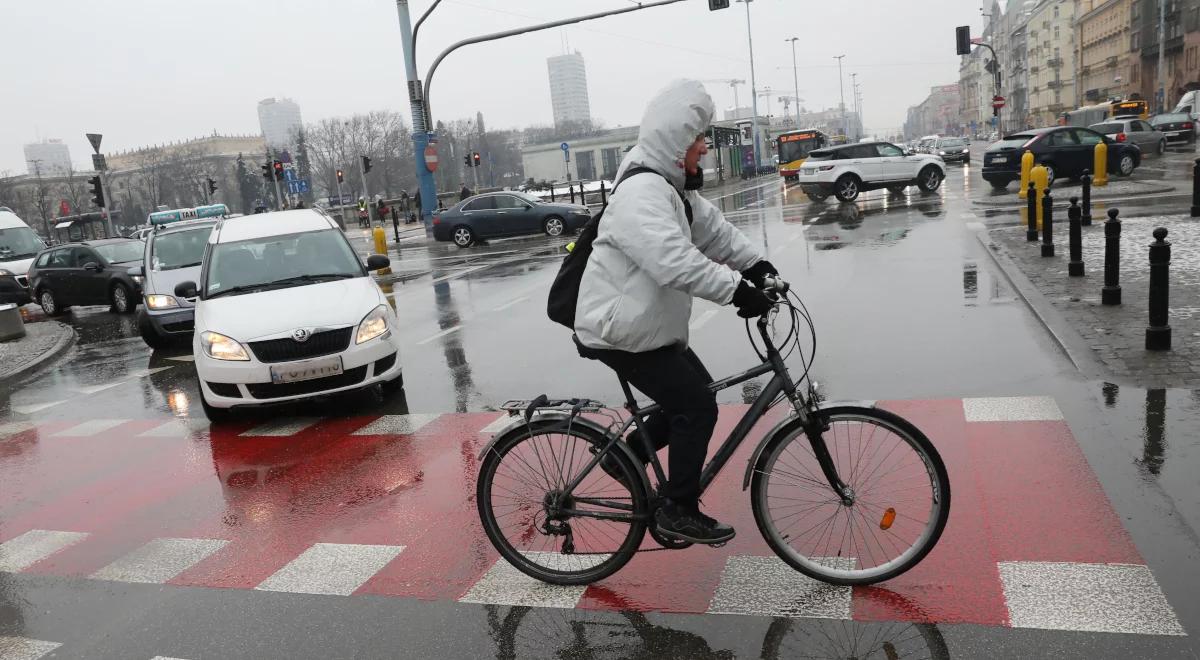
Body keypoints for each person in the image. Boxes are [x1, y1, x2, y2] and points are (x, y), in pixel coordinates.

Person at [573, 79, 777, 545]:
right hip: (619, 330)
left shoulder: (670, 186)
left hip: (646, 326)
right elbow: (672, 259)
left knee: (693, 395)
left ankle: (622, 455)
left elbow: (713, 232)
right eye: (698, 139)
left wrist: (757, 265)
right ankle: (678, 510)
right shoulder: (641, 193)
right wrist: (736, 291)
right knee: (697, 406)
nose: (705, 147)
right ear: (674, 143)